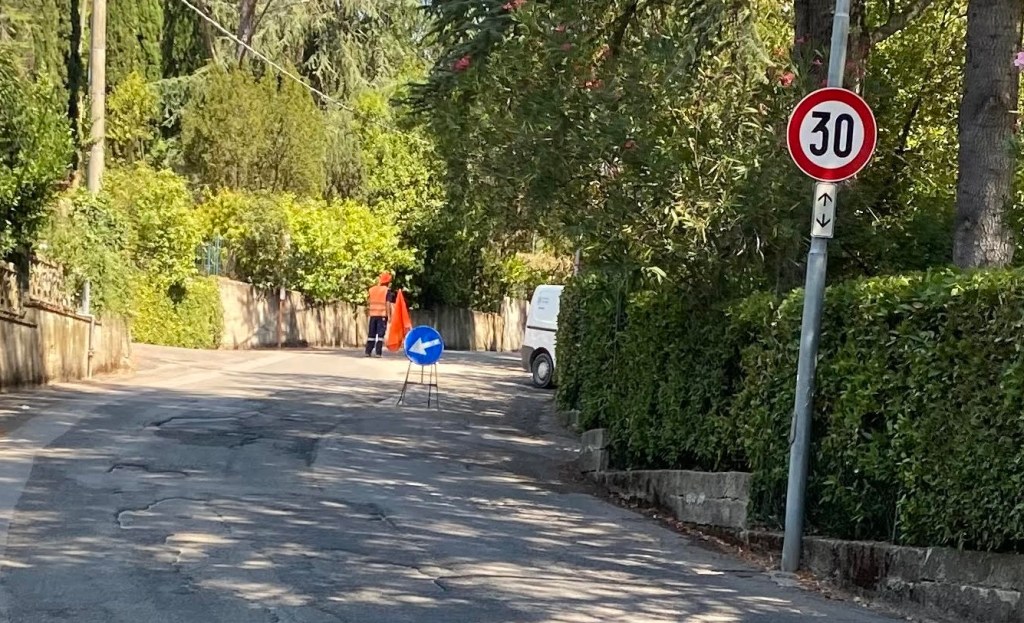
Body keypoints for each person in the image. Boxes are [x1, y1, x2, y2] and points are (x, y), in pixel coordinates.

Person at [365, 272, 396, 357]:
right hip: (382, 315)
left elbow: (368, 302)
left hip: (373, 315)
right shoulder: (387, 291)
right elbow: (388, 303)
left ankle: (368, 351)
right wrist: (389, 316)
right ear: (388, 282)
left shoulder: (372, 289)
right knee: (380, 334)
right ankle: (378, 353)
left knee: (371, 334)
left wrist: (368, 312)